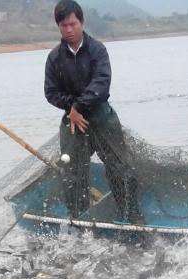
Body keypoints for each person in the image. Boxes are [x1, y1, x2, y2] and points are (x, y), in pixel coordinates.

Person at [44, 1, 142, 222]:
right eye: (63, 25)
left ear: (81, 22)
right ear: (58, 27)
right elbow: (51, 92)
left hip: (101, 116)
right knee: (72, 172)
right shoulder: (54, 58)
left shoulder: (97, 49)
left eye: (72, 24)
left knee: (120, 167)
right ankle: (78, 219)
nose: (69, 30)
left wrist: (78, 106)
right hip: (72, 120)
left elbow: (101, 84)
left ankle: (131, 215)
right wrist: (71, 108)